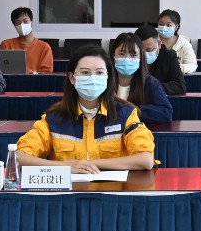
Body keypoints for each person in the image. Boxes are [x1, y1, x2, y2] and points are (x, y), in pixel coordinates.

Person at [14, 46, 155, 172]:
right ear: (72, 78)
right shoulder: (53, 118)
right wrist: (66, 166)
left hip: (112, 189)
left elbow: (146, 159)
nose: (93, 78)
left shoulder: (125, 114)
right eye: (85, 72)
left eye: (99, 73)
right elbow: (19, 157)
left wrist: (90, 164)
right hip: (69, 190)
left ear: (107, 77)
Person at [109, 32, 173, 124]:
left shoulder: (150, 83)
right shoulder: (104, 81)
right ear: (113, 55)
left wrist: (129, 109)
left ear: (140, 58)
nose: (127, 59)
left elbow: (165, 113)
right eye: (122, 54)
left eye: (133, 55)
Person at [0, 5, 54, 73]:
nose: (22, 25)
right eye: (18, 22)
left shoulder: (44, 47)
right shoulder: (6, 45)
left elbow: (46, 73)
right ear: (14, 25)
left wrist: (30, 74)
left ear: (31, 22)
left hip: (35, 79)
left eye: (25, 21)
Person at [134, 24, 186, 94]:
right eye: (140, 51)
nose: (144, 54)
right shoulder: (131, 58)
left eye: (149, 50)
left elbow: (180, 85)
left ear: (159, 44)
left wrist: (153, 87)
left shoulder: (168, 56)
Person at [155, 8, 197, 74]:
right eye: (161, 24)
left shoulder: (184, 44)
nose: (164, 27)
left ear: (176, 27)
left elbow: (192, 65)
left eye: (168, 25)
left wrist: (173, 68)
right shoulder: (151, 39)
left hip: (176, 77)